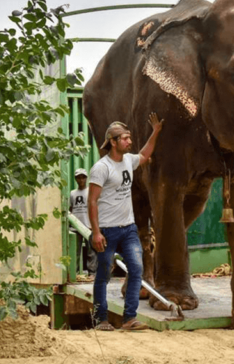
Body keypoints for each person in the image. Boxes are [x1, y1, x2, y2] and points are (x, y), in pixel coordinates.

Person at [88, 113, 163, 331]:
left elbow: (145, 154)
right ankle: (100, 320)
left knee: (137, 269)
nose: (129, 142)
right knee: (103, 275)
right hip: (107, 231)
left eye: (129, 138)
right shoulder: (102, 168)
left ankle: (129, 319)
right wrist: (96, 233)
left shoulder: (129, 161)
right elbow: (92, 201)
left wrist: (155, 131)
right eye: (125, 138)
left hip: (128, 229)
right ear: (113, 141)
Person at [69, 168, 97, 275]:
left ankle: (92, 273)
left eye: (83, 177)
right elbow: (71, 209)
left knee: (92, 252)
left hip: (88, 226)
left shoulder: (90, 191)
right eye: (78, 177)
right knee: (75, 252)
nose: (81, 180)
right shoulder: (72, 193)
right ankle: (73, 273)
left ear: (86, 178)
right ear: (75, 179)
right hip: (76, 227)